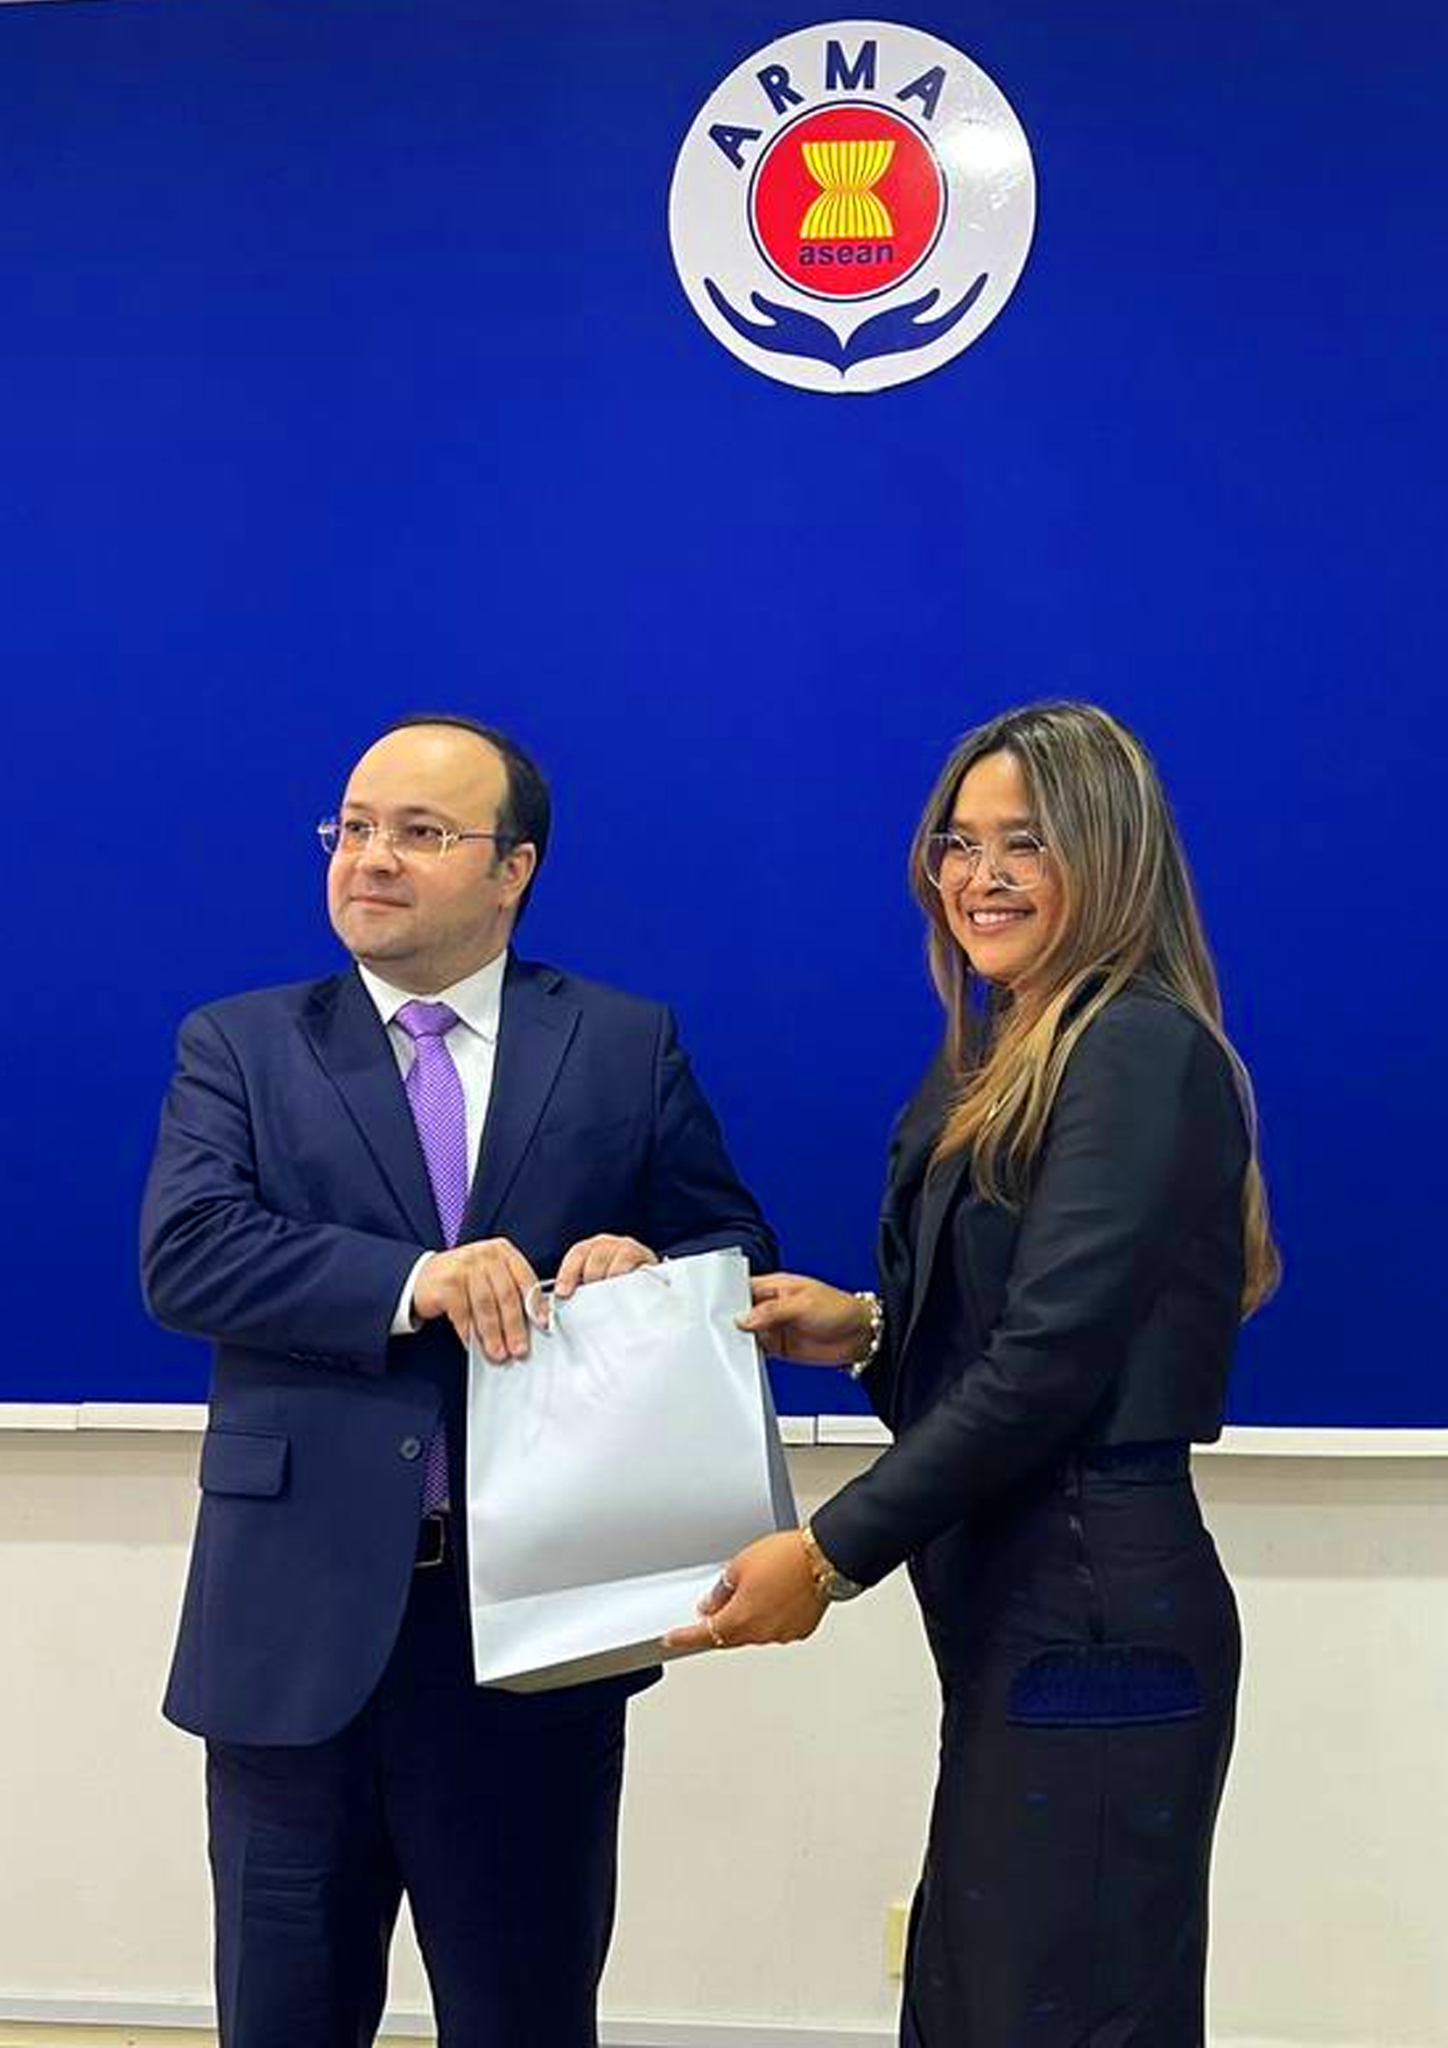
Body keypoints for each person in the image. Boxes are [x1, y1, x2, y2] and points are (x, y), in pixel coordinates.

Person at [141, 713, 776, 2048]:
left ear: (512, 870)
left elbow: (733, 1246)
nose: (371, 858)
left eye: (420, 833)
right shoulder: (242, 1044)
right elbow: (188, 1255)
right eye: (354, 827)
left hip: (531, 1629)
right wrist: (414, 1280)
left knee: (524, 2015)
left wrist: (647, 1267)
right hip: (294, 1623)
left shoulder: (619, 1042)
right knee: (284, 2017)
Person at [668, 701, 1278, 2045]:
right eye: (960, 841)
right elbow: (1016, 1333)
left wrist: (825, 1555)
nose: (979, 877)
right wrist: (867, 1330)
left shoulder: (1134, 1049)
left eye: (1026, 843)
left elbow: (1050, 1367)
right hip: (1019, 1601)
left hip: (1094, 1605)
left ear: (1111, 854)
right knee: (975, 2004)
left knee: (1050, 2014)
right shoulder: (1001, 1054)